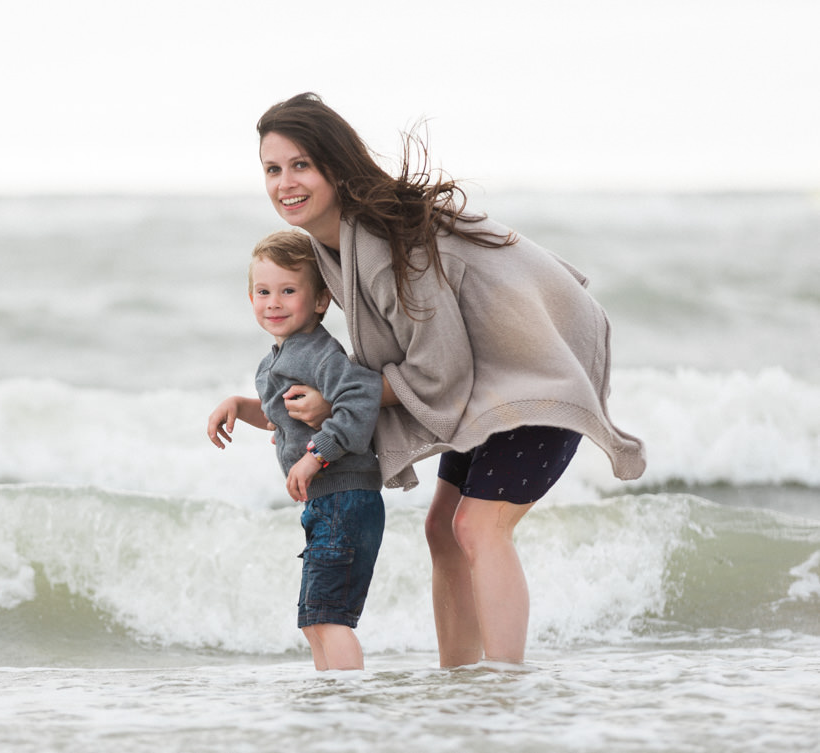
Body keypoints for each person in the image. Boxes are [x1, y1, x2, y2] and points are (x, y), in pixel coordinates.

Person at [255, 92, 647, 667]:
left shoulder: (386, 244)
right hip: (493, 378)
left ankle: (505, 681)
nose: (285, 182)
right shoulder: (334, 244)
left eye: (301, 165)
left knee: (477, 527)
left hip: (541, 368)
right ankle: (460, 680)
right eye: (272, 169)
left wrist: (339, 402)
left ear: (335, 168)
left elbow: (439, 371)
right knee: (442, 527)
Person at [207, 230, 386, 671]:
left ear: (321, 300)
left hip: (345, 496)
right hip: (326, 502)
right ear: (250, 298)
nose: (274, 302)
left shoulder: (319, 354)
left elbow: (361, 399)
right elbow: (282, 416)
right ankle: (331, 699)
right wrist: (238, 405)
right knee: (314, 618)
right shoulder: (278, 359)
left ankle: (348, 704)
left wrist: (315, 456)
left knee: (328, 616)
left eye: (289, 291)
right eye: (263, 292)